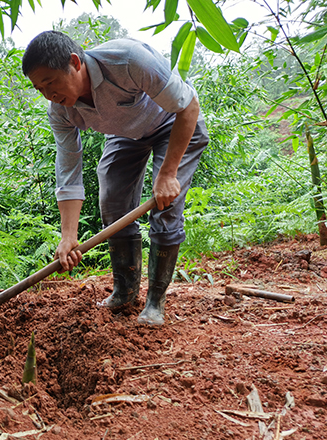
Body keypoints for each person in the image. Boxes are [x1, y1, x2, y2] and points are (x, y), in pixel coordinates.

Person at [21, 31, 209, 326]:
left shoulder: (129, 61)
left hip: (174, 123)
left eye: (51, 83)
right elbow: (69, 169)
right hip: (127, 134)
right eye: (39, 89)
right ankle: (125, 291)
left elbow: (189, 105)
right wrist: (68, 236)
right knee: (112, 201)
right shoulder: (60, 112)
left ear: (74, 62)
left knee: (165, 207)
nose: (49, 95)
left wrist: (168, 173)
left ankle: (156, 302)